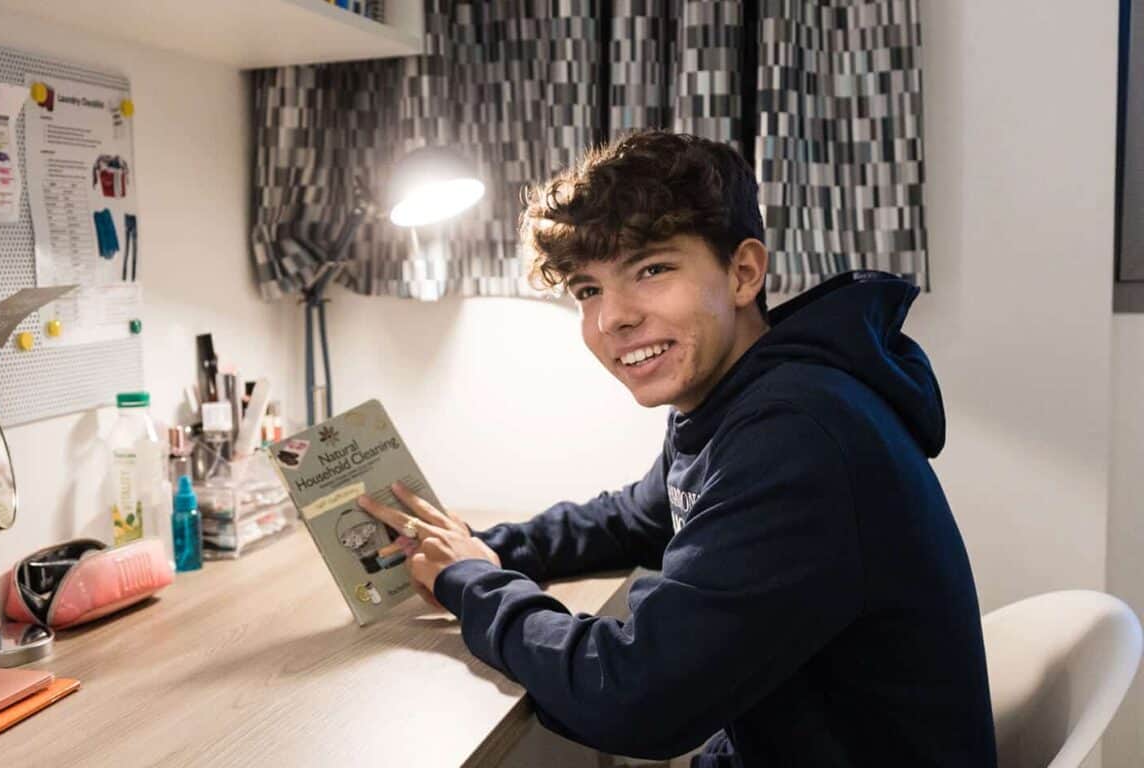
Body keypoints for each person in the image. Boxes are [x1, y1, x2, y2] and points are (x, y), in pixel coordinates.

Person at [357, 131, 997, 767]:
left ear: (743, 272)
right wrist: (483, 548)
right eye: (588, 290)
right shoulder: (737, 397)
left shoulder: (799, 433)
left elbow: (633, 697)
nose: (613, 318)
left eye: (652, 270)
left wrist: (472, 584)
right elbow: (636, 516)